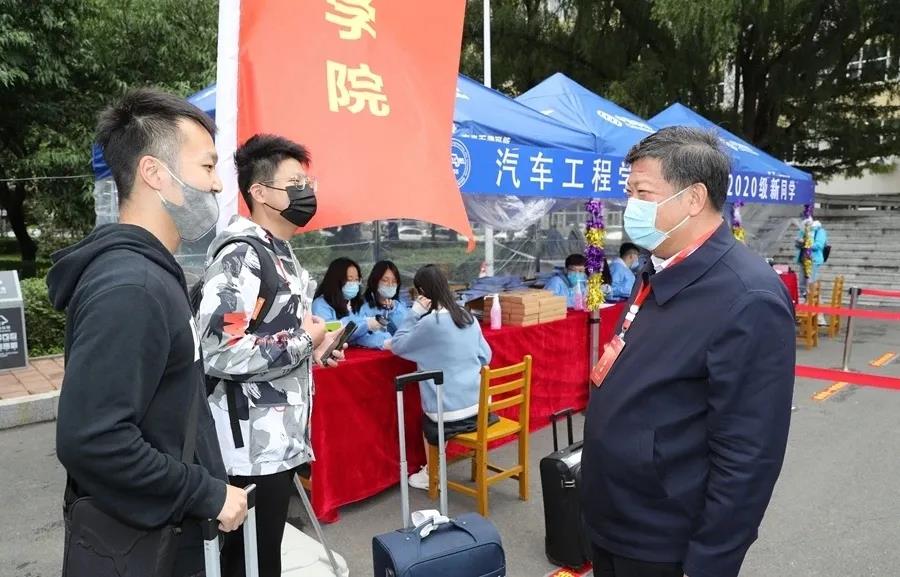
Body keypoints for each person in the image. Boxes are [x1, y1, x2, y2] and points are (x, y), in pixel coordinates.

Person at [48, 88, 248, 577]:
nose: (218, 184)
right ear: (155, 173)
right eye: (207, 166)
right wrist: (205, 492)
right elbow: (93, 440)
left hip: (168, 534)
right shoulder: (131, 287)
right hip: (151, 546)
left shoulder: (151, 274)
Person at [582, 127, 795, 577]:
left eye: (643, 193)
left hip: (663, 539)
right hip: (614, 517)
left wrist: (709, 564)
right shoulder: (657, 266)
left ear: (694, 198)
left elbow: (748, 457)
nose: (630, 206)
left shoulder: (747, 296)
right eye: (629, 192)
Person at [196, 134, 346, 577]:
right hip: (248, 448)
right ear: (259, 192)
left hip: (275, 442)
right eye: (294, 183)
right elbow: (220, 350)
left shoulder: (281, 253)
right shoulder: (241, 256)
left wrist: (315, 351)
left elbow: (270, 339)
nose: (306, 192)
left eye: (307, 183)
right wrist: (303, 341)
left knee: (263, 558)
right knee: (248, 563)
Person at [385, 265, 493, 490]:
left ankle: (432, 473)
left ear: (422, 293)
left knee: (431, 416)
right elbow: (486, 356)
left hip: (446, 414)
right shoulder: (467, 316)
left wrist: (414, 312)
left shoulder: (429, 323)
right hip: (480, 407)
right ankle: (435, 469)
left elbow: (397, 345)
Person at [312, 257, 378, 342]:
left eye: (356, 280)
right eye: (349, 279)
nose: (354, 284)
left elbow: (363, 336)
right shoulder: (320, 305)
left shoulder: (353, 302)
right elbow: (331, 335)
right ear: (336, 280)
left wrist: (384, 341)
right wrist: (365, 325)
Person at [356, 260, 409, 349]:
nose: (390, 285)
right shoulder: (362, 307)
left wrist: (394, 311)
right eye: (385, 280)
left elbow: (408, 328)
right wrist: (383, 341)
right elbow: (359, 336)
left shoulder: (399, 305)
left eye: (394, 281)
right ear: (375, 281)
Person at [795, 218, 828, 299]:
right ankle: (805, 299)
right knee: (802, 283)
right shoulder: (803, 231)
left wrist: (806, 243)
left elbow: (819, 245)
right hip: (803, 259)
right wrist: (798, 242)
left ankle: (812, 301)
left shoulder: (820, 231)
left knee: (811, 282)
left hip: (813, 260)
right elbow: (797, 245)